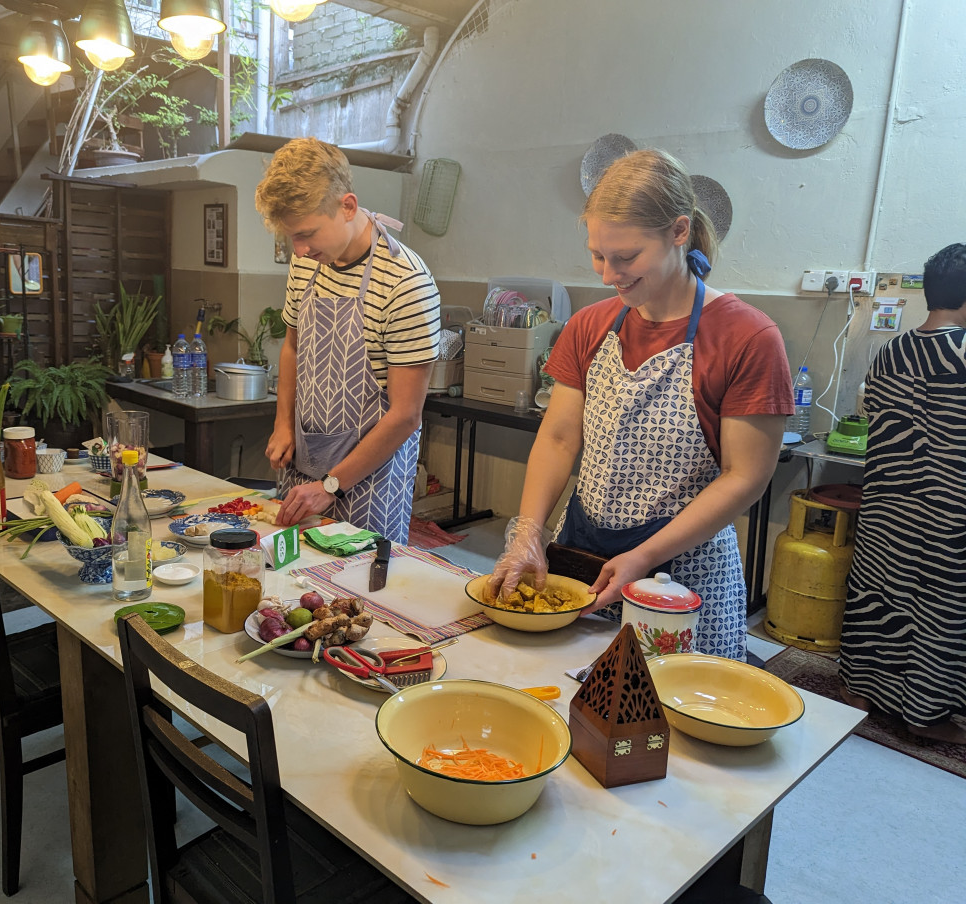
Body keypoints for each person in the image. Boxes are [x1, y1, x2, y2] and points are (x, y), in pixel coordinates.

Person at [488, 149, 791, 660]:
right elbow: (560, 438)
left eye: (626, 258)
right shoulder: (591, 325)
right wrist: (528, 533)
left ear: (678, 232)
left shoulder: (747, 336)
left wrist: (644, 557)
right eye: (598, 255)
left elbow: (745, 476)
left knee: (672, 723)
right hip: (582, 551)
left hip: (684, 572)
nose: (609, 274)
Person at [254, 137, 441, 544]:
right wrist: (282, 424)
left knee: (353, 596)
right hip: (302, 465)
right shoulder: (307, 264)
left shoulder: (406, 282)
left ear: (348, 206)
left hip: (371, 481)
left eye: (307, 235)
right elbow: (293, 347)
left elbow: (406, 415)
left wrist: (331, 486)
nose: (299, 251)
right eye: (291, 238)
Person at [838, 243, 966, 744]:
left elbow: (874, 414)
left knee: (877, 592)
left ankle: (861, 689)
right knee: (940, 604)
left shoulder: (889, 350)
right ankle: (923, 713)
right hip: (947, 509)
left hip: (887, 501)